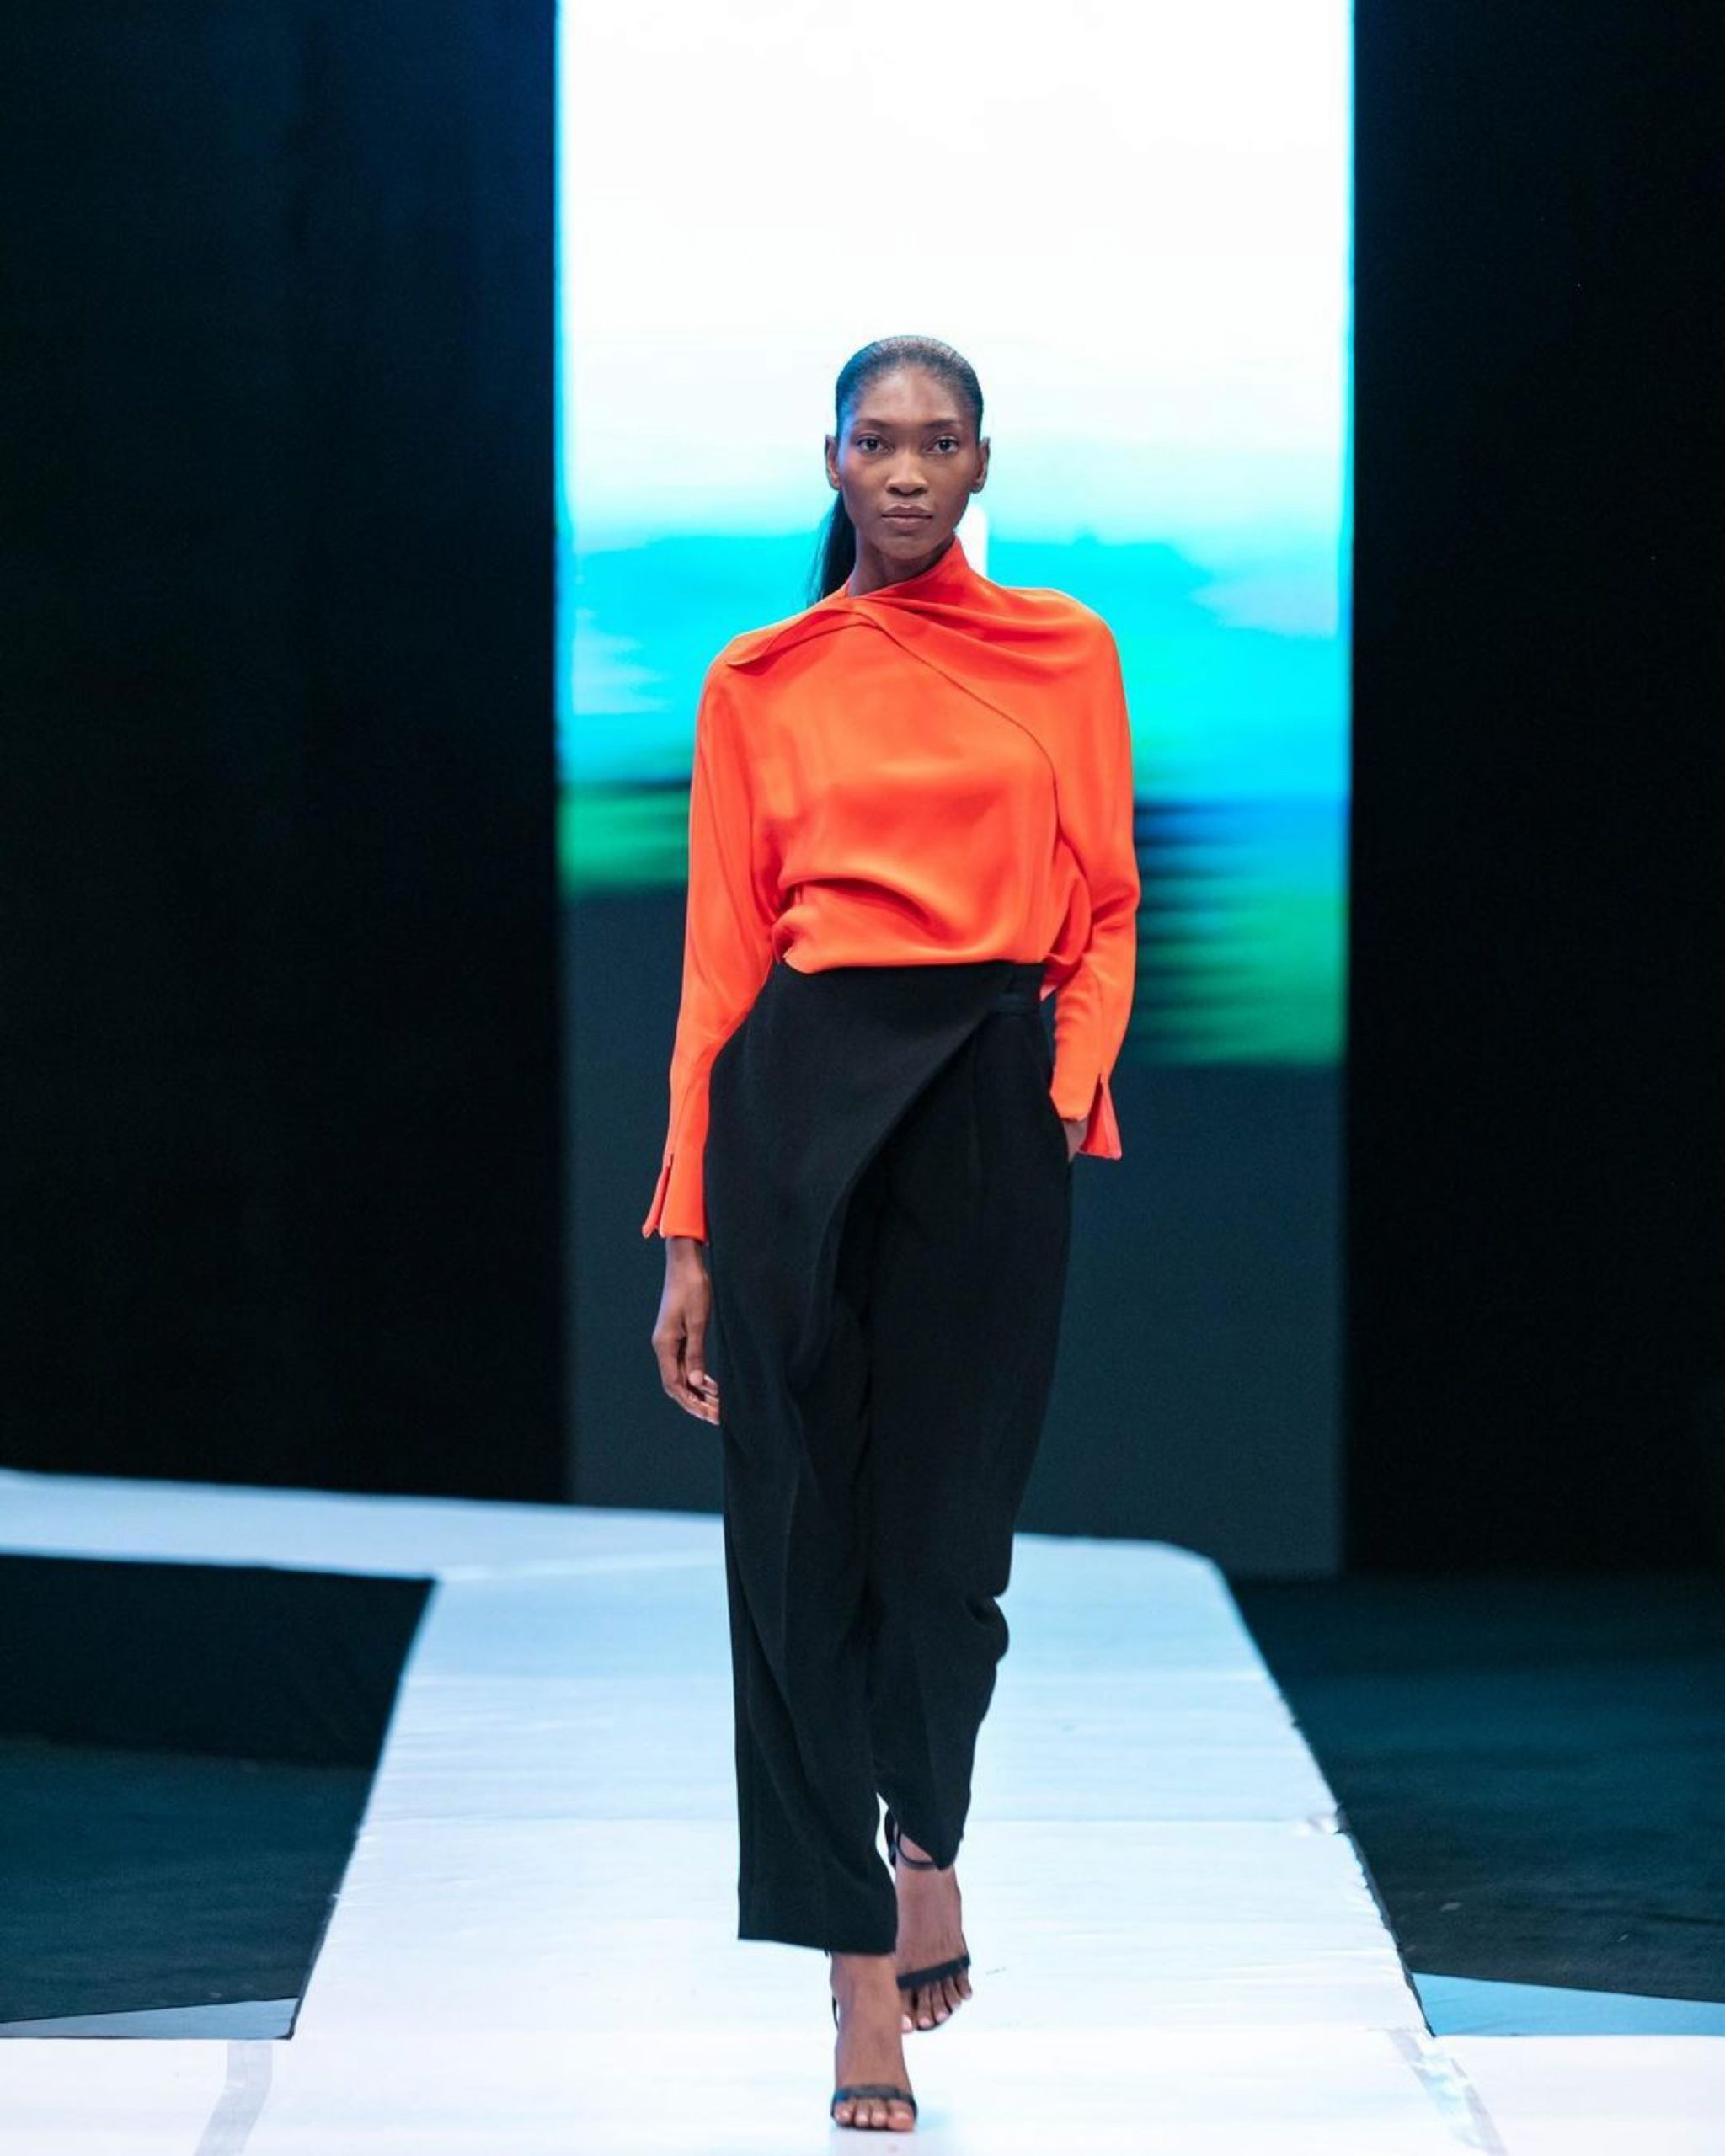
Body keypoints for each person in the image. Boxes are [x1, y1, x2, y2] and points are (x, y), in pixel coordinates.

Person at [645, 334, 1139, 2133]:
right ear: (834, 461)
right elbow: (718, 958)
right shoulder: (761, 678)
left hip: (984, 1102)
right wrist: (687, 1229)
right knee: (794, 1541)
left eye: (940, 442)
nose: (909, 470)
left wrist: (1055, 1092)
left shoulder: (1063, 652)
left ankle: (927, 1830)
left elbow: (1107, 900)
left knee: (945, 1549)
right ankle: (855, 1960)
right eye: (879, 441)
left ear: (982, 461)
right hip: (797, 1100)